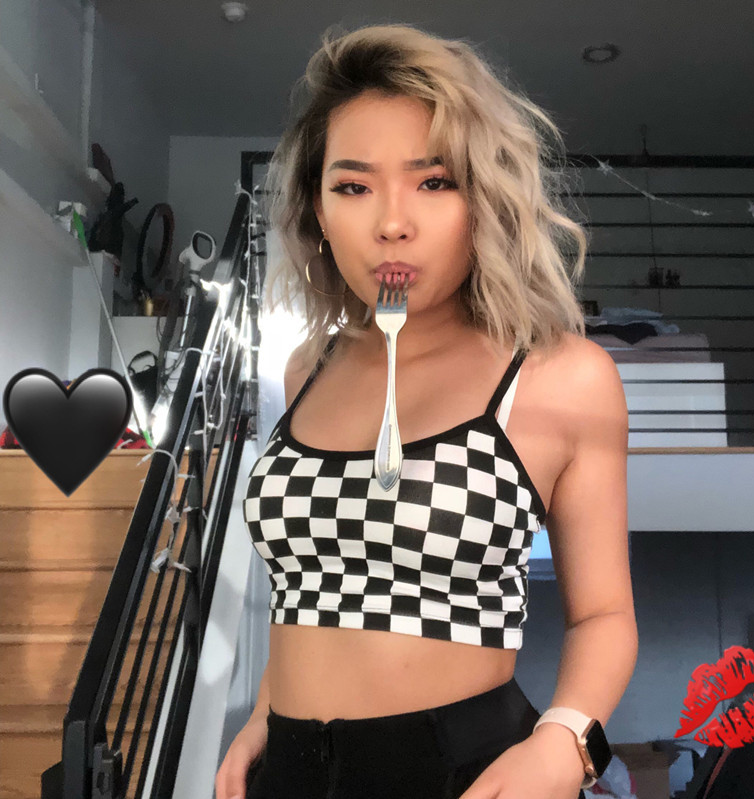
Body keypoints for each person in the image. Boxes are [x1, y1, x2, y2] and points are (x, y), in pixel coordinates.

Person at [216, 21, 637, 799]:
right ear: (317, 211)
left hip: (460, 772)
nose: (391, 221)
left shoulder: (559, 376)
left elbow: (604, 615)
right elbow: (313, 577)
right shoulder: (308, 366)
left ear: (484, 198)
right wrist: (265, 714)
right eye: (353, 186)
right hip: (291, 771)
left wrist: (563, 745)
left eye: (433, 181)